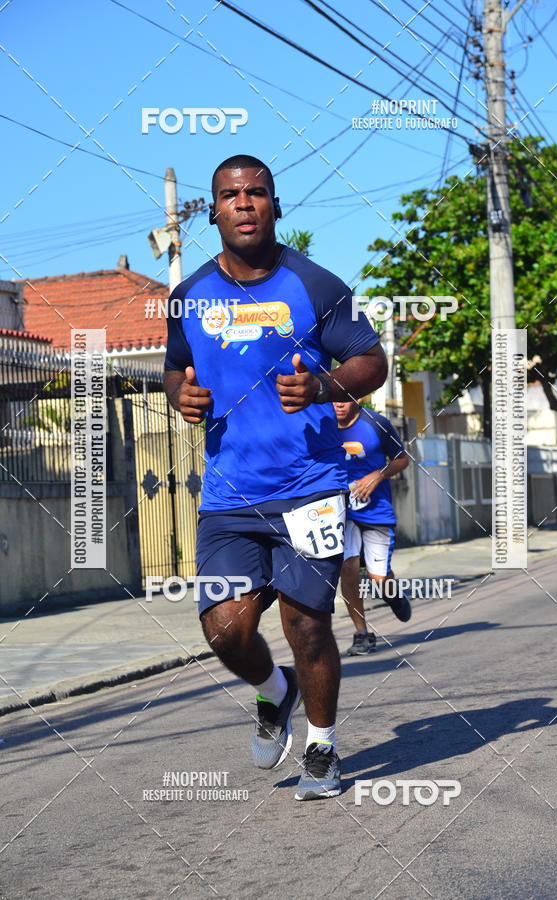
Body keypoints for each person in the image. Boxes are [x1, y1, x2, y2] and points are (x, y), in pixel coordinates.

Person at [163, 155, 387, 801]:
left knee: (307, 624)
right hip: (230, 494)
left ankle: (322, 746)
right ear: (213, 210)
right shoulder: (189, 297)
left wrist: (323, 384)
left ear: (274, 204)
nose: (244, 203)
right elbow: (176, 368)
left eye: (256, 192)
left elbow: (372, 362)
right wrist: (182, 395)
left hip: (310, 487)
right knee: (225, 628)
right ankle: (275, 691)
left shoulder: (313, 285)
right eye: (231, 195)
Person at [334, 400, 410, 655]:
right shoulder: (322, 423)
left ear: (358, 398)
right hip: (340, 512)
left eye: (344, 399)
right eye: (334, 399)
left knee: (378, 578)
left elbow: (401, 460)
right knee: (348, 568)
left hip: (376, 511)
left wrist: (378, 474)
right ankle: (361, 633)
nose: (338, 405)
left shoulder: (376, 423)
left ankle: (393, 595)